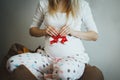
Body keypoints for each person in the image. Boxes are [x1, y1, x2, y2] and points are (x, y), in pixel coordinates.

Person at [7, 0, 99, 80]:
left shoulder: (82, 5)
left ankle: (56, 75)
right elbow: (32, 30)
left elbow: (94, 36)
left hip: (72, 59)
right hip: (47, 58)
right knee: (12, 63)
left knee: (63, 73)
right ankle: (52, 76)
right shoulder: (43, 3)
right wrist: (44, 31)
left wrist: (73, 32)